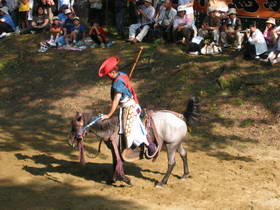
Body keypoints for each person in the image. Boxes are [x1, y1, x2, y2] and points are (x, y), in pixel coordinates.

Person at [99, 57, 158, 159]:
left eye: (108, 74)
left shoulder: (117, 82)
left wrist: (108, 115)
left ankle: (149, 146)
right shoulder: (122, 75)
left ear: (112, 72)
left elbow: (116, 100)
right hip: (131, 103)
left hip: (129, 107)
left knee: (129, 129)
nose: (107, 76)